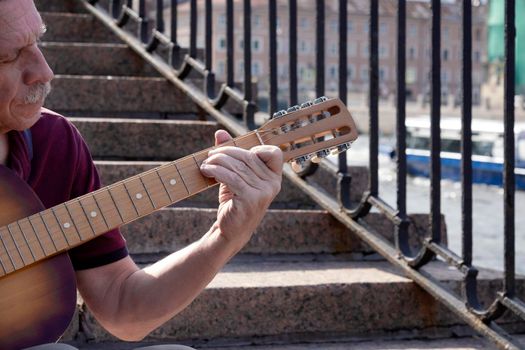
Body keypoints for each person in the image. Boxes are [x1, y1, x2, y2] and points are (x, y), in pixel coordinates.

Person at [0, 0, 283, 349]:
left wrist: (225, 236)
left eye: (38, 43)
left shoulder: (54, 142)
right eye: (8, 57)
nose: (44, 72)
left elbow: (122, 307)